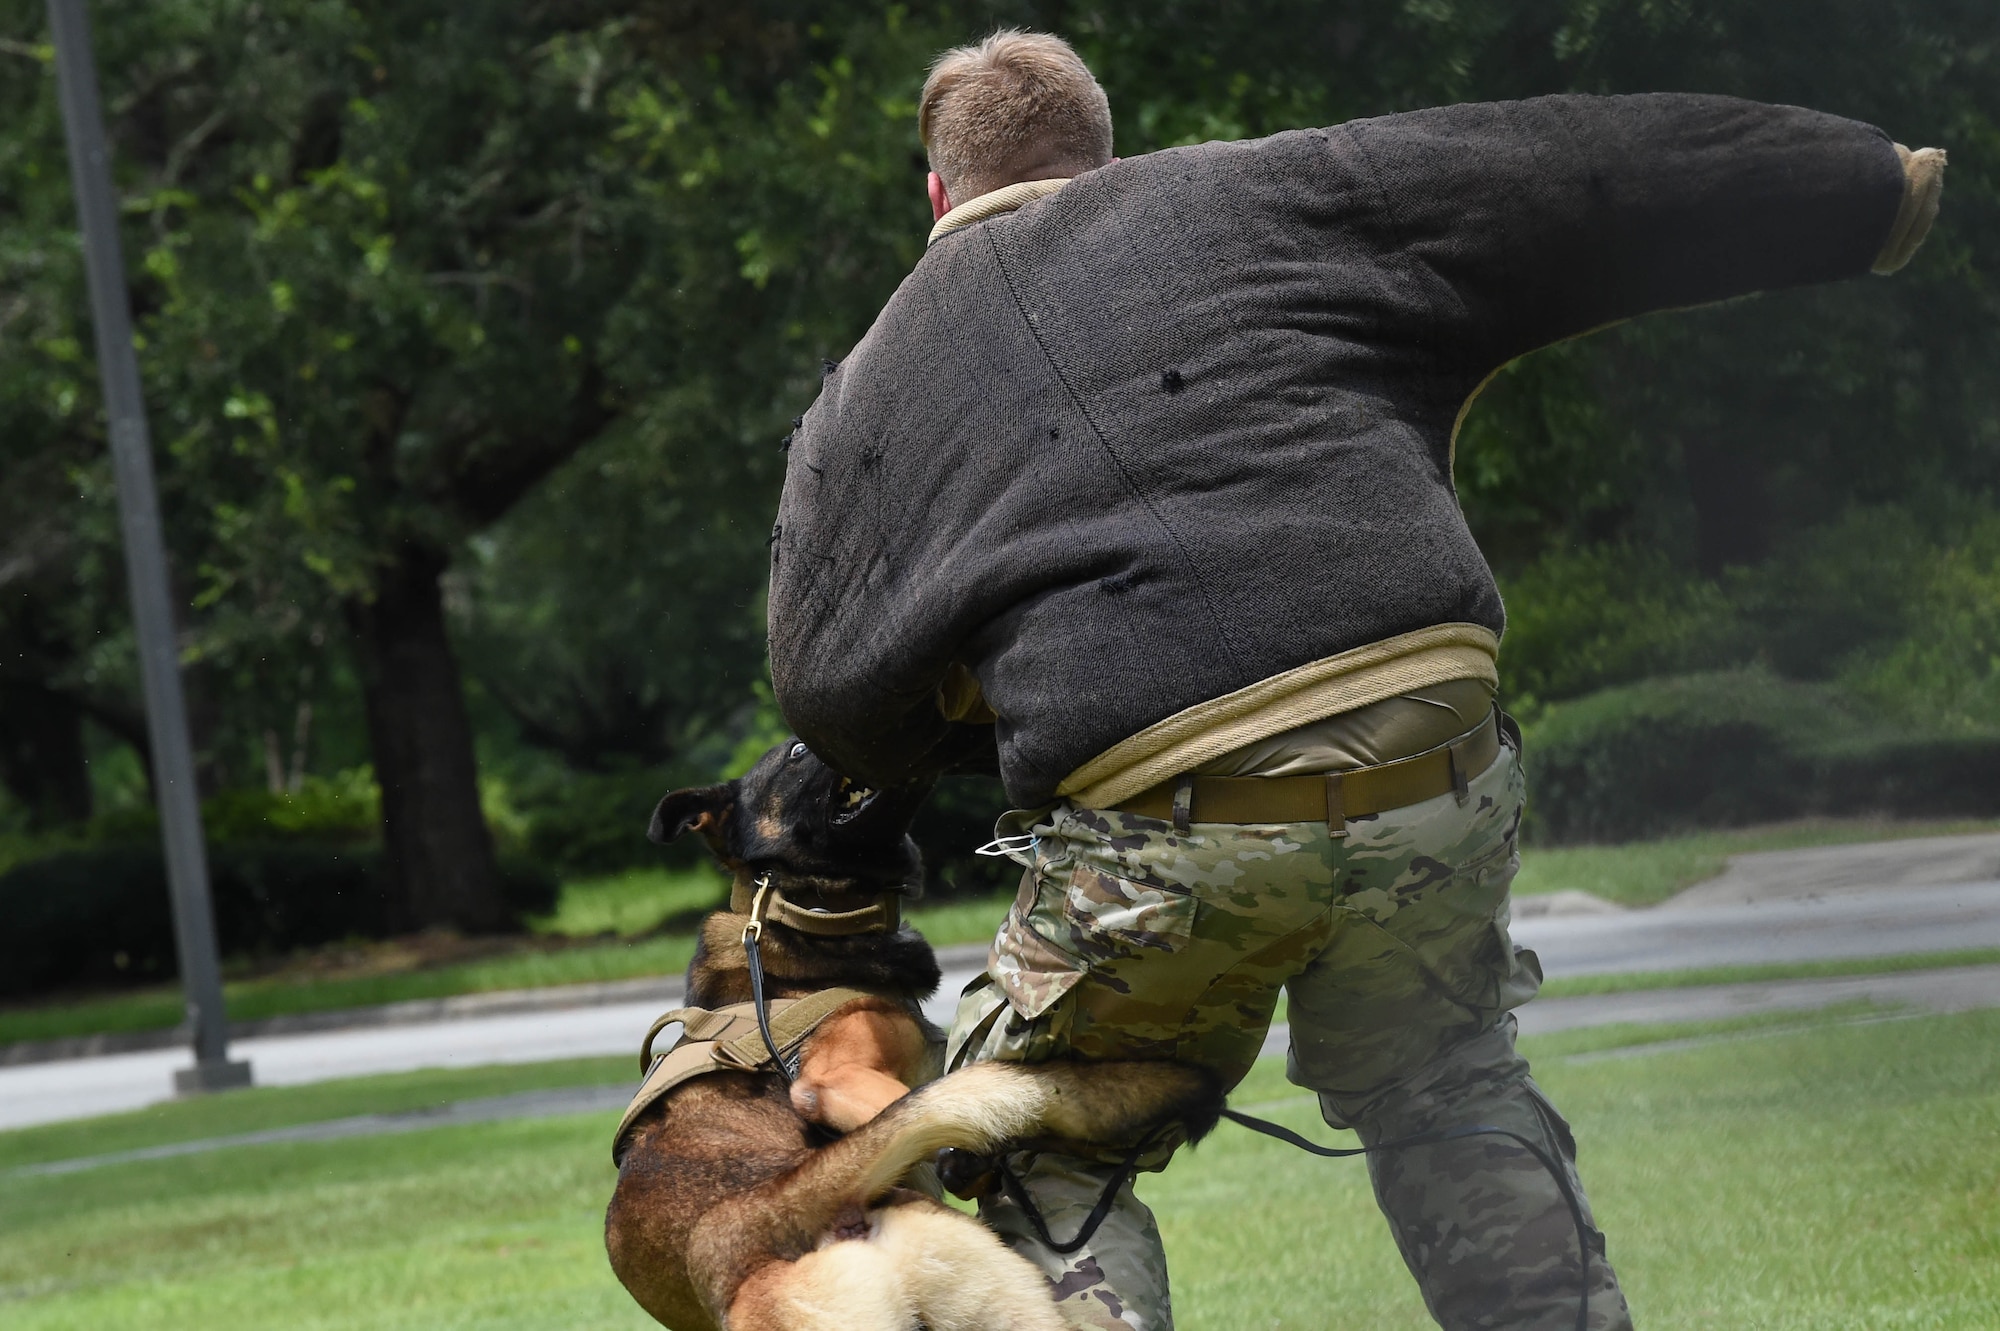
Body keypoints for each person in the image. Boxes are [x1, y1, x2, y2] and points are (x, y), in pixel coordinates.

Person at [765, 28, 1945, 1331]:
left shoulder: (864, 393)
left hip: (1161, 819)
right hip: (1429, 741)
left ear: (937, 194)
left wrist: (962, 721)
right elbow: (1567, 167)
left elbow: (824, 693)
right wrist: (1864, 185)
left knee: (1041, 1141)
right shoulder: (1261, 194)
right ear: (1111, 157)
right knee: (1447, 1086)